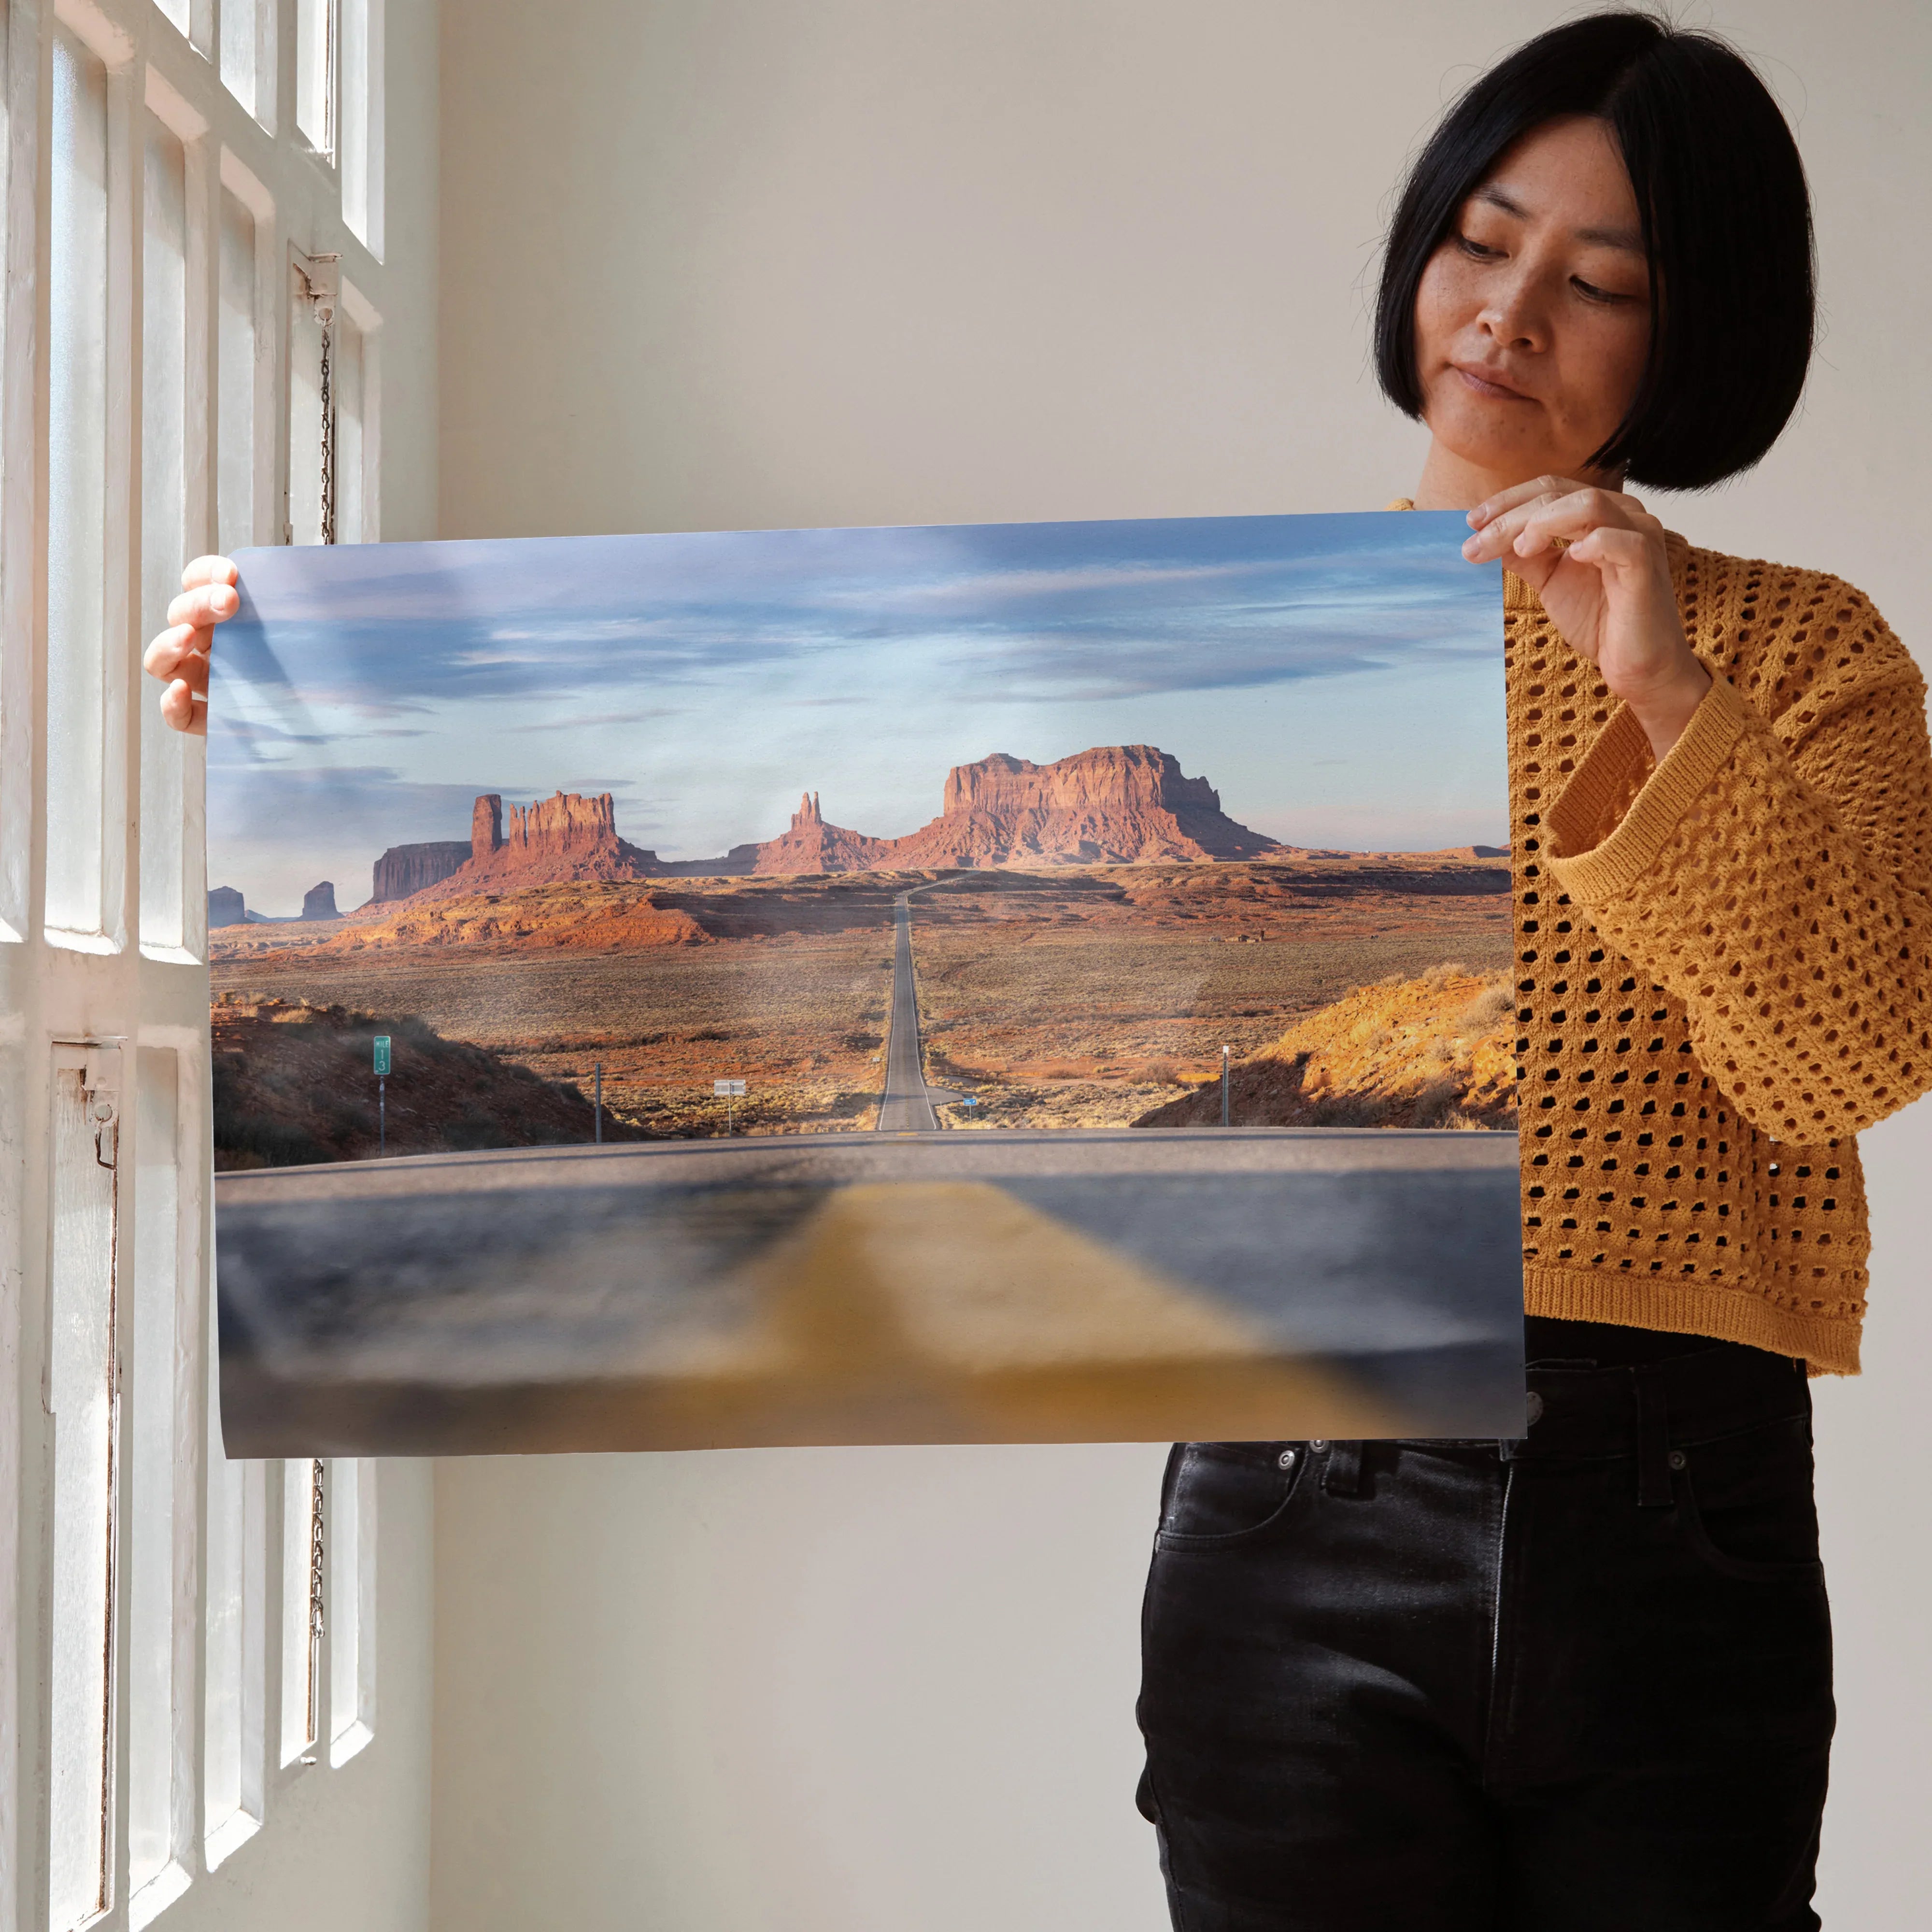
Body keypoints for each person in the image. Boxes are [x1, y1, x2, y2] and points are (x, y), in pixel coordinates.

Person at [149, 10, 1930, 1928]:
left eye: (1598, 284)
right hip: (1291, 1494)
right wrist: (296, 685)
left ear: (1697, 337)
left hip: (1675, 1513)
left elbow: (1840, 1056)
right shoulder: (1201, 635)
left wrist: (1659, 684)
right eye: (1481, 240)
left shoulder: (1807, 659)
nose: (1506, 314)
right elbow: (734, 738)